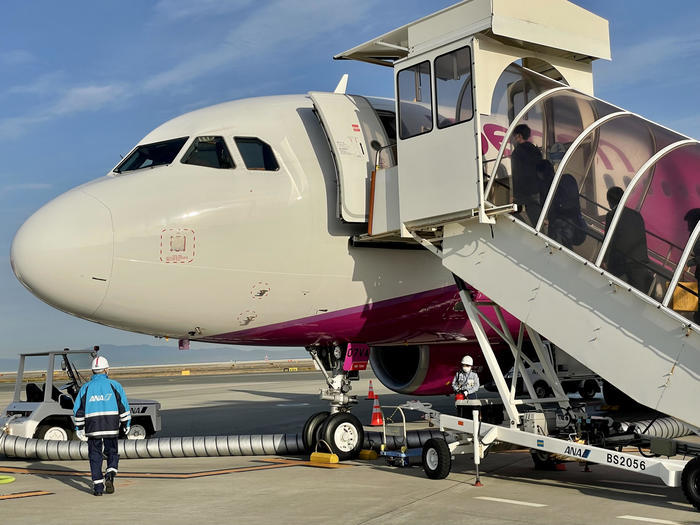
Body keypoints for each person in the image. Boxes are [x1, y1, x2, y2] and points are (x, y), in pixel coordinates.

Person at [73, 356, 131, 496]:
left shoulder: (86, 388)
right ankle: (110, 473)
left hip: (93, 427)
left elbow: (78, 410)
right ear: (106, 370)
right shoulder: (114, 385)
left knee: (95, 455)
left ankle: (98, 488)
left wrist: (79, 428)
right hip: (111, 426)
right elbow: (123, 407)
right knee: (112, 452)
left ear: (93, 371)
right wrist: (126, 424)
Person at [603, 186, 652, 292]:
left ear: (610, 201)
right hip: (639, 259)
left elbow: (608, 239)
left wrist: (604, 259)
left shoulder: (612, 215)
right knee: (638, 293)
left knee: (608, 285)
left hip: (621, 260)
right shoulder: (636, 215)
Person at [535, 160, 582, 249]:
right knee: (567, 248)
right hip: (574, 222)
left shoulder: (547, 186)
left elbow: (544, 205)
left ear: (541, 174)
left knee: (557, 249)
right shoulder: (568, 179)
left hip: (558, 225)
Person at [510, 124, 543, 226]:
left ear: (519, 136)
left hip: (523, 191)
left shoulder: (517, 152)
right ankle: (541, 236)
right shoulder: (535, 150)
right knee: (537, 220)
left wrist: (513, 194)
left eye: (514, 136)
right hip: (536, 189)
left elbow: (517, 174)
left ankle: (525, 231)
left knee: (512, 213)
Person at [683, 208, 700, 323]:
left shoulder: (697, 236)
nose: (688, 226)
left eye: (689, 223)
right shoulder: (694, 235)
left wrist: (689, 263)